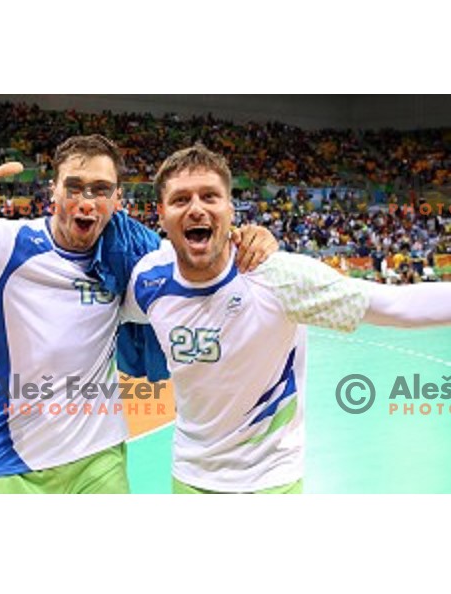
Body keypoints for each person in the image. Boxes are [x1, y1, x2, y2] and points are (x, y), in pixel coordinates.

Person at [0, 136, 277, 494]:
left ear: (117, 200)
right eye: (73, 187)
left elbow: (202, 263)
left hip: (99, 460)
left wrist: (248, 237)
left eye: (101, 190)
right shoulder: (6, 244)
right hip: (12, 464)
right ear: (52, 190)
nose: (86, 201)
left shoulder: (130, 263)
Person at [121, 144, 451, 494]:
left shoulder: (279, 278)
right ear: (160, 213)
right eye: (181, 199)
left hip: (271, 480)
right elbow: (101, 313)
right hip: (190, 477)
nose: (197, 209)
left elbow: (396, 305)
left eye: (210, 196)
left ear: (231, 210)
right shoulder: (148, 280)